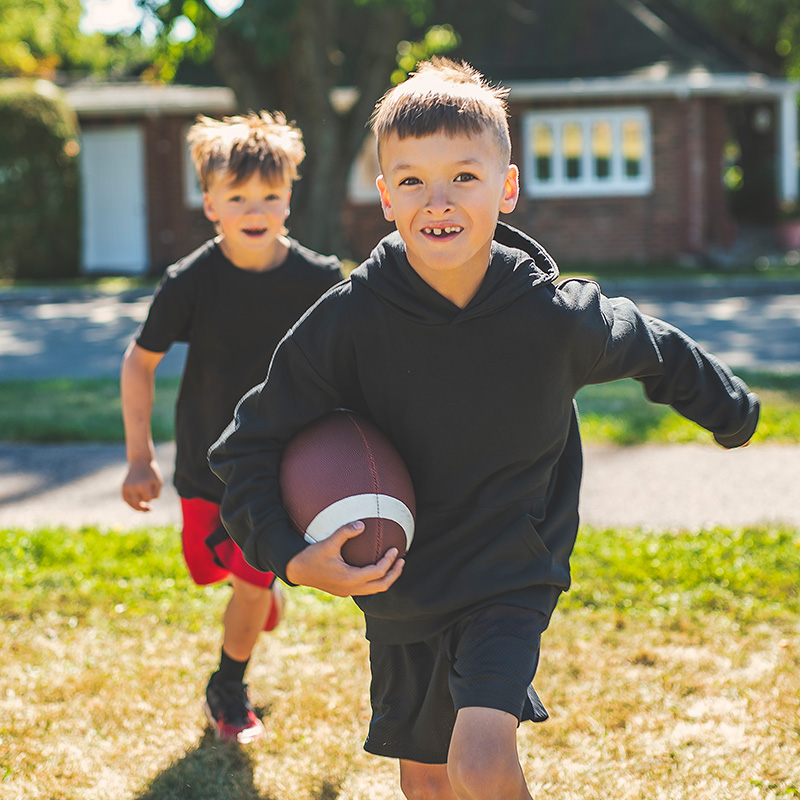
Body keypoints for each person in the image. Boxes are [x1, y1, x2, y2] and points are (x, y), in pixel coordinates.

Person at [208, 60, 759, 797]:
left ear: (507, 187)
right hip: (401, 583)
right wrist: (291, 558)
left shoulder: (554, 318)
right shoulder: (349, 322)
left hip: (510, 570)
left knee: (479, 760)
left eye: (464, 177)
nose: (437, 200)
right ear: (383, 197)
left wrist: (733, 411)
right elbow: (248, 446)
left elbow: (657, 350)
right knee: (426, 782)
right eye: (411, 180)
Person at [120, 110, 342, 744]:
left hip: (279, 467)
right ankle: (262, 594)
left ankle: (229, 686)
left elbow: (354, 365)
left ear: (289, 198)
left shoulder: (319, 280)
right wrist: (140, 458)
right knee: (216, 573)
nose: (256, 207)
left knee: (247, 582)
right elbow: (139, 363)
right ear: (211, 203)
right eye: (239, 195)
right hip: (203, 464)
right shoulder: (189, 281)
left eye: (270, 195)